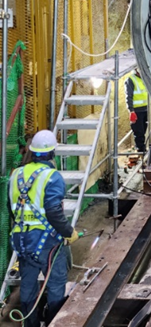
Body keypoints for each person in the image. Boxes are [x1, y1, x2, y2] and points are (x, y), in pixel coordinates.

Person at [9, 130, 79, 327]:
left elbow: (11, 208)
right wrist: (69, 232)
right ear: (52, 153)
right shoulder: (52, 177)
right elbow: (54, 213)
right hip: (47, 242)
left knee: (28, 285)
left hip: (22, 241)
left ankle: (30, 324)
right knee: (56, 283)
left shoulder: (16, 175)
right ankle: (52, 322)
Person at [125, 68, 148, 162]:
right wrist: (131, 111)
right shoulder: (131, 80)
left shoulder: (144, 78)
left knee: (144, 129)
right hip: (136, 110)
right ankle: (141, 151)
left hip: (146, 108)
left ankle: (142, 149)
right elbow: (128, 96)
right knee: (139, 132)